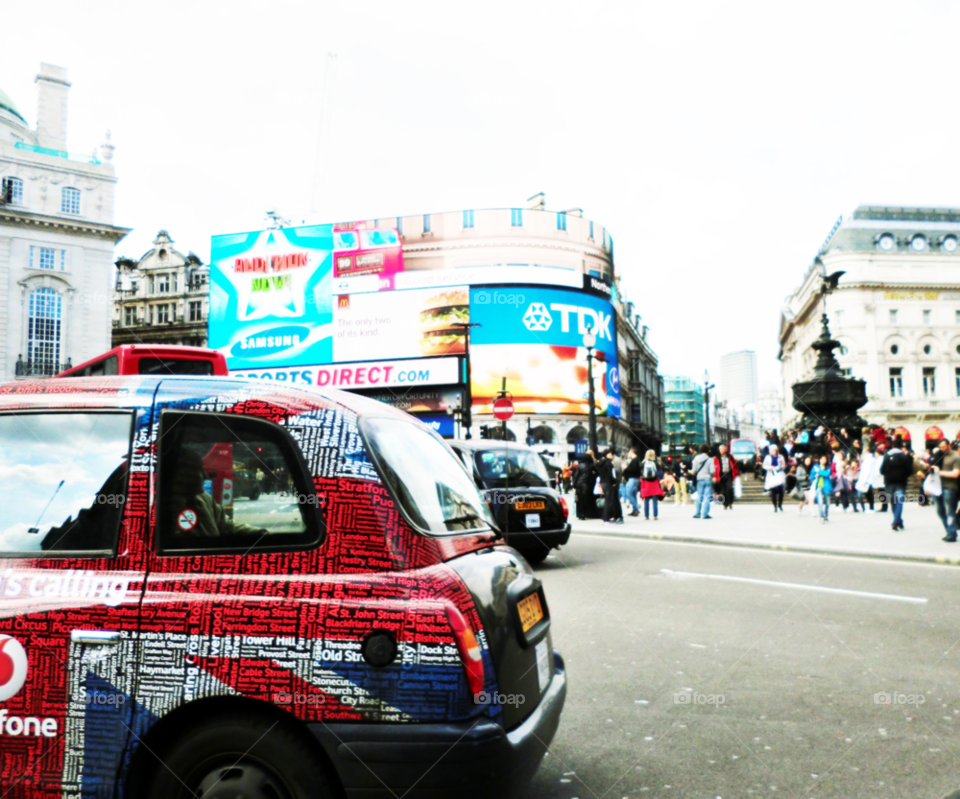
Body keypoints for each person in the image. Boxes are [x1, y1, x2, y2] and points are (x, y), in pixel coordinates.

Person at [168, 449, 269, 538]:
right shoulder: (166, 509)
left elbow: (226, 526)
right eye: (198, 470)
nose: (205, 476)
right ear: (182, 474)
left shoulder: (206, 499)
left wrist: (259, 533)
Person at [879, 437, 915, 531]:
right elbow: (909, 470)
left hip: (889, 482)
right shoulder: (904, 456)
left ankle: (896, 520)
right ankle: (897, 521)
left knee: (893, 502)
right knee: (899, 501)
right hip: (901, 482)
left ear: (893, 445)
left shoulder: (887, 456)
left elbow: (881, 470)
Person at [927, 439, 960, 543]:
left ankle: (951, 534)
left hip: (949, 488)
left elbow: (955, 474)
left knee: (950, 511)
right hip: (937, 488)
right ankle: (949, 531)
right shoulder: (938, 455)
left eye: (943, 447)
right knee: (940, 511)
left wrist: (939, 472)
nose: (941, 449)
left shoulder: (955, 458)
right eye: (940, 447)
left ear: (949, 446)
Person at [598, 449, 623, 524]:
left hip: (603, 483)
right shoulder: (609, 463)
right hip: (609, 483)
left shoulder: (600, 463)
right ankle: (606, 518)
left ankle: (605, 518)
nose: (611, 454)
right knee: (609, 502)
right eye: (609, 453)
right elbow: (611, 475)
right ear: (606, 454)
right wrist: (614, 482)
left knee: (607, 500)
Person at [691, 444, 714, 520]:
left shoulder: (696, 458)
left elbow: (694, 471)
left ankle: (697, 513)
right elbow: (712, 471)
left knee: (699, 496)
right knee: (707, 497)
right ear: (708, 450)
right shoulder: (710, 459)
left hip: (699, 479)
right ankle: (705, 514)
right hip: (708, 479)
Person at [639, 450, 665, 520]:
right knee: (654, 500)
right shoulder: (656, 463)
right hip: (654, 483)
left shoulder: (643, 463)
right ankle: (655, 516)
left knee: (646, 500)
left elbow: (640, 473)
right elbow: (660, 473)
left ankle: (646, 516)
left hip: (646, 483)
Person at [713, 443, 739, 510]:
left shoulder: (730, 456)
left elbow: (735, 464)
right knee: (723, 491)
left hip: (729, 474)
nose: (721, 450)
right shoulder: (716, 458)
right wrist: (714, 476)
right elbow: (714, 468)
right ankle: (725, 504)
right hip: (720, 475)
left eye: (722, 449)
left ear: (725, 449)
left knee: (729, 489)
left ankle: (730, 502)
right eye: (720, 449)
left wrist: (736, 472)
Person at [574, 451, 598, 520]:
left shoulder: (580, 465)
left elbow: (576, 476)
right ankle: (584, 514)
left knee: (580, 499)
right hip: (586, 484)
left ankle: (580, 514)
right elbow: (597, 473)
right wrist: (592, 474)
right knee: (585, 499)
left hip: (579, 483)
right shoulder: (591, 465)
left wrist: (574, 485)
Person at [762, 444, 786, 512]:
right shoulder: (767, 457)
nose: (770, 451)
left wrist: (778, 467)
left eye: (771, 450)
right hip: (771, 475)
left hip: (779, 475)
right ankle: (775, 506)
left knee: (781, 491)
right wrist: (770, 467)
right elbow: (764, 465)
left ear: (775, 451)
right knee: (773, 492)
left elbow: (783, 465)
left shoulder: (780, 457)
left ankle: (780, 504)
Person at [811, 454, 833, 524]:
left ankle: (826, 515)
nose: (823, 460)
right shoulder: (816, 467)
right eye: (822, 459)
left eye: (824, 459)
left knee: (828, 503)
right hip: (819, 487)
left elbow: (827, 474)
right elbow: (812, 475)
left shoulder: (827, 467)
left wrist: (819, 472)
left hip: (826, 487)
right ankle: (821, 516)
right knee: (820, 503)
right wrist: (815, 475)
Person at [622, 448, 642, 517]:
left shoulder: (635, 460)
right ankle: (634, 510)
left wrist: (626, 468)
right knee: (633, 494)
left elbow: (633, 469)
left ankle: (636, 508)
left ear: (633, 452)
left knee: (629, 494)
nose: (629, 453)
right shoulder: (636, 460)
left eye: (630, 452)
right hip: (634, 479)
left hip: (632, 479)